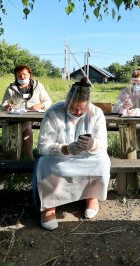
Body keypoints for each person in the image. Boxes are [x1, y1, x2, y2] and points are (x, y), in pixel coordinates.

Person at [36, 78, 110, 230]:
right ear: (67, 102)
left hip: (86, 156)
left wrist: (93, 144)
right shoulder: (54, 112)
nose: (78, 112)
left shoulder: (96, 113)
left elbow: (103, 144)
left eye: (82, 110)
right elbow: (43, 146)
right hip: (60, 155)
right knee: (46, 164)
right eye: (73, 108)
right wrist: (65, 149)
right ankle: (49, 206)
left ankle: (91, 196)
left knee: (102, 162)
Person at [0, 64, 52, 160]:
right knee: (27, 126)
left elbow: (48, 101)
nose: (22, 77)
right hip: (18, 116)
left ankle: (4, 145)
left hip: (36, 116)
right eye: (19, 75)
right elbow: (3, 106)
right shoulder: (11, 88)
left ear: (29, 74)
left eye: (24, 74)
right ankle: (29, 157)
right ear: (15, 76)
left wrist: (39, 105)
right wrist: (7, 107)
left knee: (27, 122)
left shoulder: (38, 85)